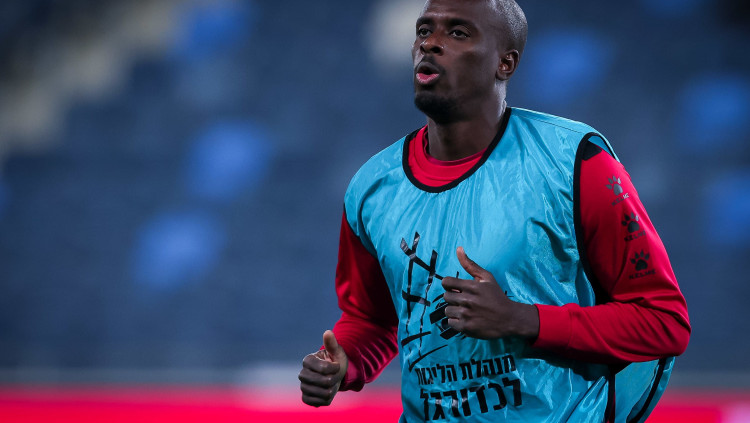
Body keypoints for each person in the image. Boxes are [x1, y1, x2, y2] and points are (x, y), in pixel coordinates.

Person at [298, 0, 690, 421]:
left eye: (458, 33)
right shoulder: (372, 187)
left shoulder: (574, 162)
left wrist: (524, 320)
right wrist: (343, 363)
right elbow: (372, 319)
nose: (430, 44)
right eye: (424, 30)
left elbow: (663, 321)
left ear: (505, 63)